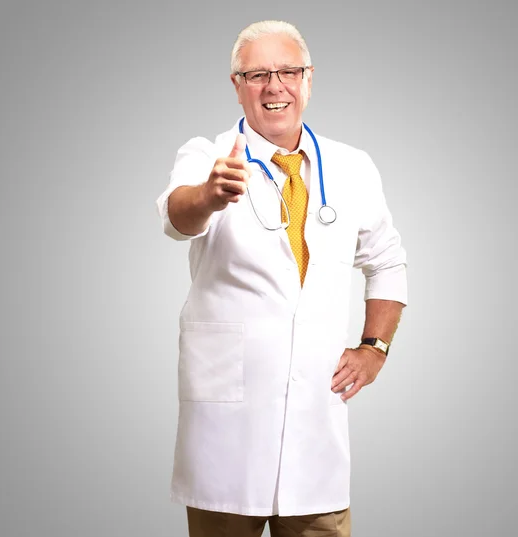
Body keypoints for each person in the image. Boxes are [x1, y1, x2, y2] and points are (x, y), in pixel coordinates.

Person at [156, 19, 408, 537]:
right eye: (258, 74)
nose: (275, 87)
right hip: (226, 436)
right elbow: (176, 217)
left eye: (289, 71)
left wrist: (375, 347)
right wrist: (209, 194)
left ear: (309, 79)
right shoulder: (208, 156)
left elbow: (386, 260)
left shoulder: (352, 166)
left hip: (316, 428)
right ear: (236, 85)